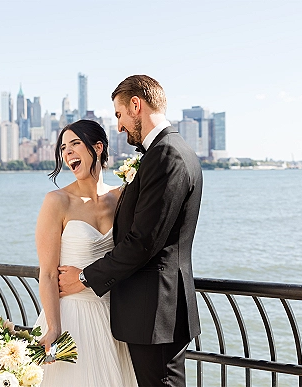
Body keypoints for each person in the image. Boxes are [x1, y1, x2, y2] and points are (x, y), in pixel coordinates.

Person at [59, 75, 203, 387]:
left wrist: (83, 277)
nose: (120, 126)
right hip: (152, 310)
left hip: (156, 311)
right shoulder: (164, 152)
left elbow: (144, 242)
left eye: (120, 115)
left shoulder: (167, 155)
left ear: (136, 105)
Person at [34, 119, 138, 386]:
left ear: (98, 147)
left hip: (114, 316)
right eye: (63, 148)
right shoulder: (57, 201)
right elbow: (46, 274)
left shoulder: (122, 197)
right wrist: (54, 327)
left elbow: (133, 252)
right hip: (72, 317)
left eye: (75, 144)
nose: (67, 152)